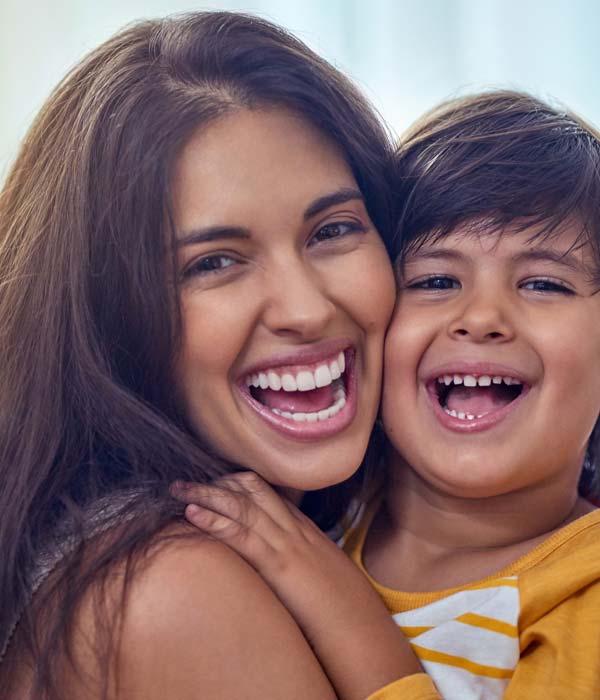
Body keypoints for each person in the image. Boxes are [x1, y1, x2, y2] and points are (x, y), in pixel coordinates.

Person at [0, 11, 431, 700]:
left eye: (333, 230)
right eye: (215, 263)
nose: (307, 308)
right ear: (106, 315)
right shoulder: (175, 592)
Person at [177, 90, 600, 700]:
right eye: (434, 280)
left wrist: (343, 611)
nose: (481, 317)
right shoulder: (315, 509)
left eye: (543, 283)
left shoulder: (584, 590)